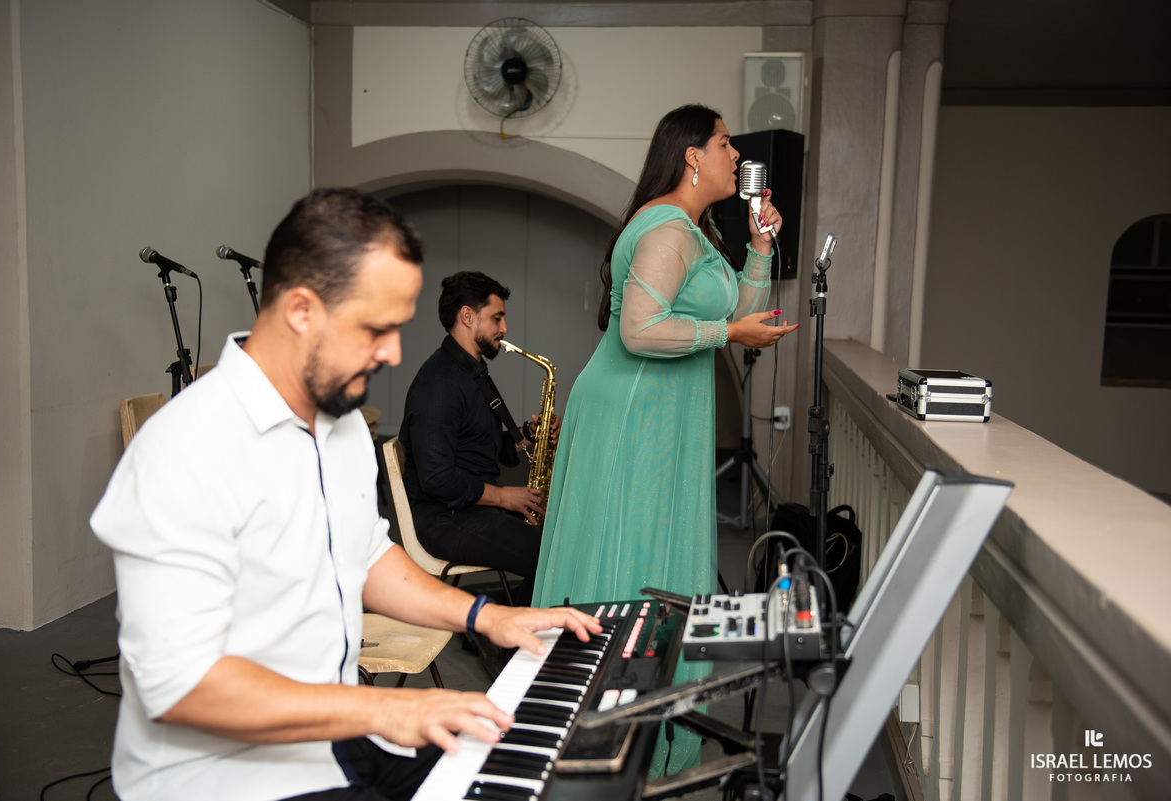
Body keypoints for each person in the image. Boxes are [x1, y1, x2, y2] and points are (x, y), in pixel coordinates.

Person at [90, 188, 599, 801]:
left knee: (532, 774)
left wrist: (489, 617)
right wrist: (385, 714)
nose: (392, 353)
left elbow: (364, 555)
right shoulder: (184, 450)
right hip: (225, 776)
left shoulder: (340, 427)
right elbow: (180, 688)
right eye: (376, 328)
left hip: (330, 740)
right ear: (303, 310)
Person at [531, 104, 798, 773]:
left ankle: (643, 724)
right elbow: (640, 331)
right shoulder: (662, 225)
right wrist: (730, 336)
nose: (735, 155)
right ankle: (598, 724)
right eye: (724, 143)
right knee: (628, 551)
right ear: (691, 155)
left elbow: (743, 309)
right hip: (632, 411)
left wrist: (761, 246)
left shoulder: (698, 230)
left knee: (655, 551)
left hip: (664, 410)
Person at [400, 272, 553, 612]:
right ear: (467, 316)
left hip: (467, 508)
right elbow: (437, 478)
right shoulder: (439, 384)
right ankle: (507, 638)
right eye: (497, 318)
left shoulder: (470, 370)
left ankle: (498, 621)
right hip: (444, 518)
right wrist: (503, 497)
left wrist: (528, 435)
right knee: (550, 556)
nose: (505, 328)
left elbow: (480, 446)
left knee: (557, 540)